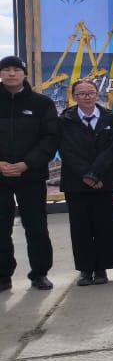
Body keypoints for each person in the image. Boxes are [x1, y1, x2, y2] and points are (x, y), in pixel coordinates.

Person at [0, 54, 59, 291]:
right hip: (0, 174)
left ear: (24, 74)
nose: (11, 74)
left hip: (31, 175)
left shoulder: (41, 103)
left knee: (36, 226)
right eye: (6, 69)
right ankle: (3, 275)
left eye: (16, 70)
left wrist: (27, 163)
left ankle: (39, 273)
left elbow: (50, 138)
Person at [58, 78, 113, 286]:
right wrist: (86, 174)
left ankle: (102, 269)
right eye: (81, 94)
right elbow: (66, 150)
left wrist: (95, 174)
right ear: (74, 97)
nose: (87, 97)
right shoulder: (65, 120)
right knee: (80, 228)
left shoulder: (110, 118)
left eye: (91, 93)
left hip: (104, 181)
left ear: (97, 95)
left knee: (105, 226)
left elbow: (112, 148)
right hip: (76, 183)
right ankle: (85, 270)